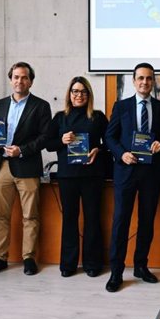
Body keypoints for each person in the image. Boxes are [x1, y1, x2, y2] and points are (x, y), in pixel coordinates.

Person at [104, 63, 160, 292]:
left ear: (153, 81)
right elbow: (109, 137)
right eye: (140, 78)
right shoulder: (121, 107)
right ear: (133, 81)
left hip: (151, 173)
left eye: (149, 78)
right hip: (126, 172)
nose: (144, 82)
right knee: (121, 222)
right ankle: (116, 272)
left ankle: (141, 266)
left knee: (146, 222)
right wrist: (122, 154)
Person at [0, 62, 51, 277]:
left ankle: (29, 258)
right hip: (1, 166)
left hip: (27, 166)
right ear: (10, 79)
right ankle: (0, 258)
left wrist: (21, 150)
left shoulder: (41, 106)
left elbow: (45, 138)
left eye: (24, 77)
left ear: (31, 81)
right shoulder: (1, 104)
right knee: (0, 216)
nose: (19, 81)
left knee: (30, 216)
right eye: (15, 77)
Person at [46, 77, 108, 278]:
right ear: (69, 94)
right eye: (75, 91)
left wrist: (98, 149)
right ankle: (68, 264)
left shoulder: (97, 117)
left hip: (92, 175)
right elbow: (49, 144)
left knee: (92, 219)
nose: (78, 95)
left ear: (88, 95)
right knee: (69, 220)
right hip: (68, 176)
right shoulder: (60, 118)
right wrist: (62, 140)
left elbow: (109, 143)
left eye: (83, 91)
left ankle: (92, 263)